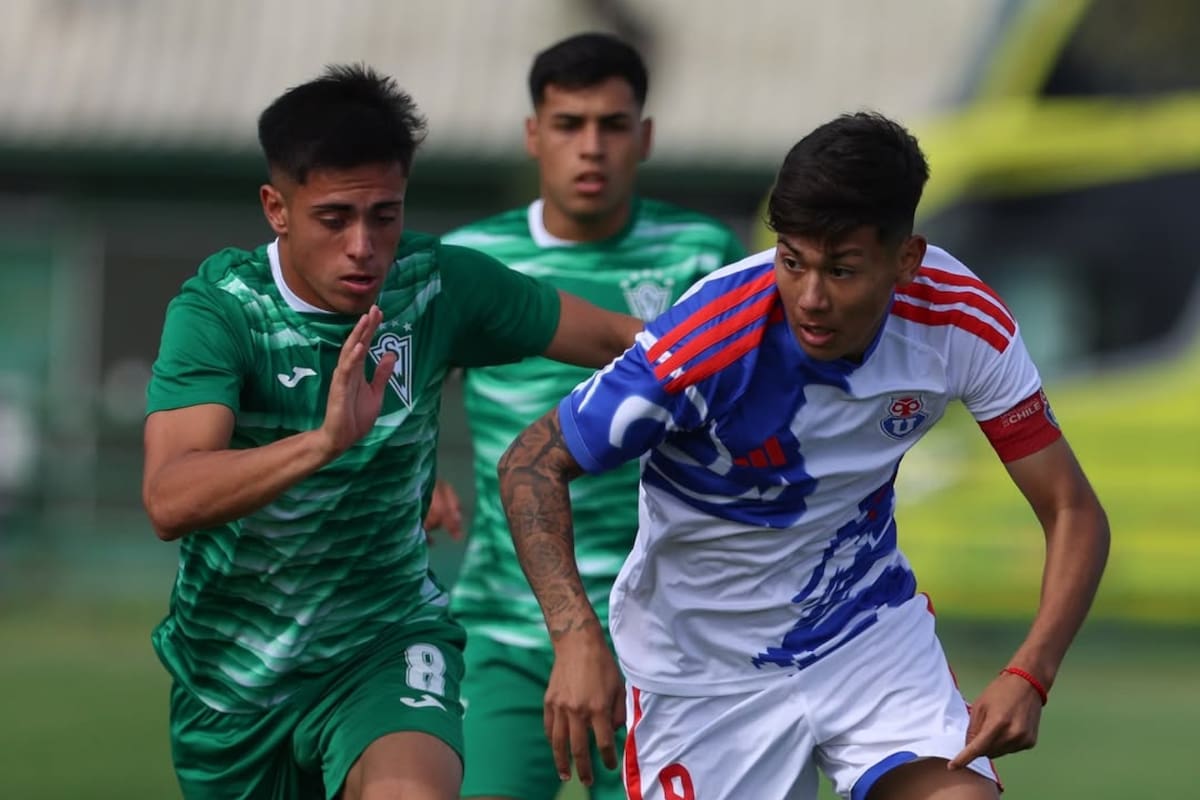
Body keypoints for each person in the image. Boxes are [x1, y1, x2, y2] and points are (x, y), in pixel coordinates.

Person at [496, 111, 1110, 799]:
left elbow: (1071, 508)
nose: (811, 298)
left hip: (864, 634)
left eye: (842, 270)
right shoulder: (707, 342)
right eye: (793, 261)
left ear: (906, 259)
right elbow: (530, 461)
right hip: (703, 672)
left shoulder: (959, 322)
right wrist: (576, 637)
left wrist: (1031, 672)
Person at [140, 64, 641, 800]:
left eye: (385, 214)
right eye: (335, 218)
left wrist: (776, 337)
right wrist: (323, 443)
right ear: (276, 208)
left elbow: (621, 342)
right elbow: (169, 496)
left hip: (385, 642)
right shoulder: (222, 313)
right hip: (233, 681)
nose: (364, 246)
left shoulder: (435, 284)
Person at [441, 32, 745, 800]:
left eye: (612, 126)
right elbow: (386, 398)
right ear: (533, 135)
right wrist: (405, 478)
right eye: (570, 124)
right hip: (507, 636)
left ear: (643, 137)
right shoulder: (468, 261)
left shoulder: (701, 255)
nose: (592, 148)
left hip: (665, 641)